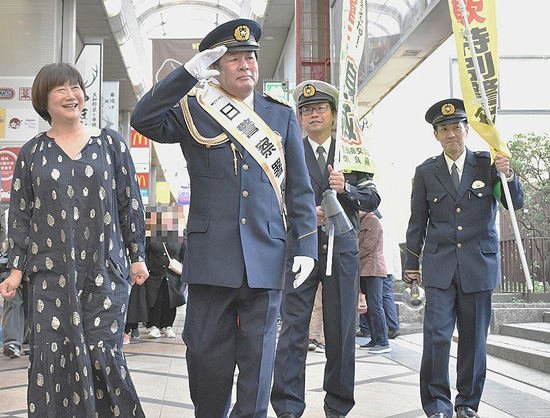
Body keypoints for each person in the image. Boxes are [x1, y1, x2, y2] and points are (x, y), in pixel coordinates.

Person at [131, 19, 318, 418]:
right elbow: (143, 119)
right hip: (211, 257)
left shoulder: (280, 116)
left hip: (267, 257)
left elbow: (299, 190)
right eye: (233, 58)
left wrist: (306, 246)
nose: (245, 65)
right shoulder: (193, 108)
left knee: (258, 361)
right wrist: (186, 74)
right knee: (203, 355)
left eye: (250, 57)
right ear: (215, 66)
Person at [0, 63, 149, 418]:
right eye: (61, 90)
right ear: (44, 100)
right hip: (49, 279)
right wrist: (15, 270)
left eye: (76, 87)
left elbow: (131, 204)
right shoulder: (31, 153)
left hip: (104, 272)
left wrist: (137, 255)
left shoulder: (111, 144)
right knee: (54, 359)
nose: (72, 95)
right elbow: (20, 217)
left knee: (104, 355)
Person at [404, 98, 524, 418]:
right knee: (437, 337)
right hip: (439, 265)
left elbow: (515, 203)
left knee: (473, 342)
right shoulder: (426, 171)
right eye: (444, 129)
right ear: (436, 135)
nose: (451, 134)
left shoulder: (488, 164)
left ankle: (467, 404)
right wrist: (410, 267)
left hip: (478, 266)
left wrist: (508, 174)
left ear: (467, 130)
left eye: (456, 127)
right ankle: (437, 405)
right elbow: (417, 223)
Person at [271, 80, 381, 418]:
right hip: (301, 249)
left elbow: (374, 197)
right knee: (293, 329)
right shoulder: (289, 151)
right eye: (306, 110)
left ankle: (338, 405)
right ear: (300, 118)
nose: (312, 114)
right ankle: (288, 406)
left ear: (334, 115)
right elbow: (274, 198)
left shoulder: (351, 152)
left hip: (342, 251)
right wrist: (300, 213)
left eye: (320, 108)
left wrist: (346, 188)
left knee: (341, 331)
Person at [144, 205, 186, 339]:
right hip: (155, 274)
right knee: (155, 300)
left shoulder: (179, 235)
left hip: (173, 276)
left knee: (170, 301)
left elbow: (184, 253)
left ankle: (168, 326)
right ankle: (154, 326)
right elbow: (146, 252)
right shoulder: (152, 234)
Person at [357, 210, 390, 353]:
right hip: (363, 269)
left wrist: (352, 255)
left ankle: (383, 342)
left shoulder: (372, 220)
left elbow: (368, 246)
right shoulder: (362, 220)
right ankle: (375, 339)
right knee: (367, 307)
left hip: (373, 269)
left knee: (375, 305)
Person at [377, 210, 401, 339]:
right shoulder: (388, 224)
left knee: (380, 297)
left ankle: (392, 326)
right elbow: (395, 249)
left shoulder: (374, 222)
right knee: (386, 295)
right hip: (388, 266)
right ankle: (393, 325)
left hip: (379, 266)